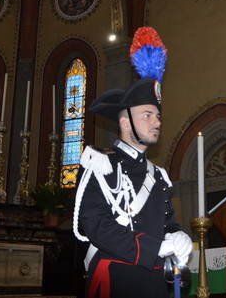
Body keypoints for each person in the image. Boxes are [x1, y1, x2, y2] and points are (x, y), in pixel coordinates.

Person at [73, 28, 192, 298]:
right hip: (117, 279)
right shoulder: (100, 165)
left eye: (158, 115)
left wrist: (177, 236)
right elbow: (94, 225)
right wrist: (154, 248)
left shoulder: (158, 176)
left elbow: (166, 224)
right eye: (148, 115)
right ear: (125, 122)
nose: (157, 121)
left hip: (156, 281)